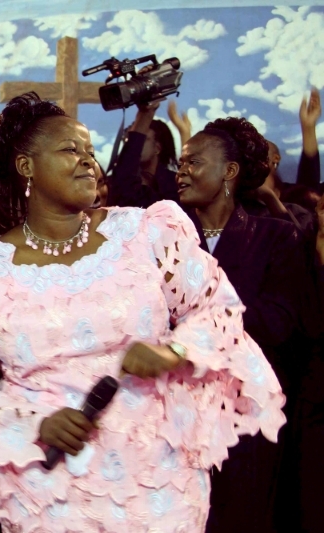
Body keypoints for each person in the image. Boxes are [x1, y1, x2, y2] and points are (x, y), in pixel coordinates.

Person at [0, 93, 285, 532]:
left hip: (157, 479)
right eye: (70, 150)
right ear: (26, 167)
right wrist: (34, 423)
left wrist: (176, 350)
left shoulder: (143, 233)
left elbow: (216, 307)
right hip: (51, 487)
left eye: (91, 152)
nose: (88, 162)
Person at [174, 117, 310, 533]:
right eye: (179, 163)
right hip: (174, 417)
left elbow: (279, 323)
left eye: (193, 162)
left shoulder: (277, 237)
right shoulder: (169, 241)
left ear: (229, 171)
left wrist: (202, 323)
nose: (181, 172)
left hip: (243, 420)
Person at [106, 101, 180, 208]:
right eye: (127, 139)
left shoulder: (174, 184)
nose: (135, 145)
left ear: (158, 148)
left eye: (142, 139)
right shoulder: (112, 183)